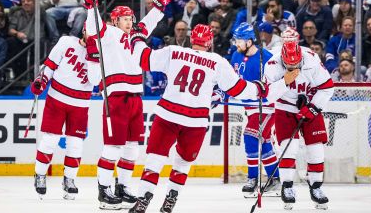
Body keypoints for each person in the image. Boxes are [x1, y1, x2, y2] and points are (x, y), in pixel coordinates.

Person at [128, 22, 270, 213]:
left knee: (154, 160)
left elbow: (144, 59)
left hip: (167, 116)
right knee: (183, 163)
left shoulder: (173, 51)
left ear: (191, 39)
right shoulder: (218, 61)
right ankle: (171, 199)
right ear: (209, 42)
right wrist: (258, 88)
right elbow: (238, 89)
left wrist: (137, 38)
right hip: (195, 121)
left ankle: (143, 200)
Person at [84, 0, 175, 210]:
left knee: (132, 147)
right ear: (115, 21)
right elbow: (92, 27)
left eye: (130, 18)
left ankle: (122, 187)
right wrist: (89, 6)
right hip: (116, 96)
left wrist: (160, 6)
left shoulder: (136, 35)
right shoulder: (107, 33)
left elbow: (149, 22)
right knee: (113, 146)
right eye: (124, 18)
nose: (129, 22)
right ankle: (103, 191)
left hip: (136, 96)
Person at [264, 28, 334, 210]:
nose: (293, 68)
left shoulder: (311, 58)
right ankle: (287, 187)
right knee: (289, 149)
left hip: (309, 106)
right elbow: (269, 96)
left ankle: (316, 187)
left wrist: (312, 107)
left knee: (316, 149)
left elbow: (327, 87)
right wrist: (285, 81)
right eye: (289, 66)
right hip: (284, 108)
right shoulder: (272, 64)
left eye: (296, 65)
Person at [31, 28, 96, 200]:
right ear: (84, 30)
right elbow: (50, 65)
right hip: (56, 99)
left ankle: (70, 180)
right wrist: (41, 81)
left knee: (75, 143)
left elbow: (96, 80)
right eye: (91, 32)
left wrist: (93, 55)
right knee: (50, 139)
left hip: (81, 104)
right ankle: (40, 175)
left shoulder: (101, 55)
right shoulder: (66, 42)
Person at [230, 22, 280, 197]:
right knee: (264, 142)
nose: (237, 44)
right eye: (236, 40)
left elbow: (278, 83)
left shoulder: (266, 58)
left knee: (251, 136)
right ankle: (275, 179)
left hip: (266, 107)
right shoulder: (236, 56)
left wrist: (266, 85)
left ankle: (253, 178)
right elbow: (231, 81)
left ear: (250, 41)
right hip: (250, 108)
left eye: (240, 40)